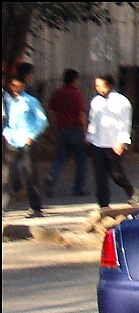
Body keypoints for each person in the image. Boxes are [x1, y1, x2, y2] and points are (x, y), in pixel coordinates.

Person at [86, 74, 139, 208]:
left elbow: (126, 123)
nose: (98, 89)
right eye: (97, 86)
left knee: (116, 173)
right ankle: (103, 205)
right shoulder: (96, 102)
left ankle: (131, 190)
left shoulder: (122, 102)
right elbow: (93, 120)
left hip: (113, 143)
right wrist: (89, 135)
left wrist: (122, 141)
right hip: (97, 142)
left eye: (101, 86)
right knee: (100, 176)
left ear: (109, 85)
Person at [2, 75, 48, 217]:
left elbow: (42, 120)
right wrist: (7, 133)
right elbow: (8, 121)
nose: (15, 89)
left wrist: (32, 135)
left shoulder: (30, 101)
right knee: (6, 175)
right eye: (13, 86)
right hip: (13, 140)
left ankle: (35, 207)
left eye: (18, 86)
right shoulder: (9, 101)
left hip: (27, 140)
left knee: (30, 175)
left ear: (23, 86)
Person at [44, 68, 89, 197]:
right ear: (75, 80)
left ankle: (51, 177)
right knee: (81, 160)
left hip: (61, 130)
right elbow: (81, 113)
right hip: (75, 130)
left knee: (61, 158)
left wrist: (53, 127)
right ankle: (78, 188)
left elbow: (51, 111)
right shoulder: (77, 94)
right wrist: (85, 131)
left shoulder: (57, 93)